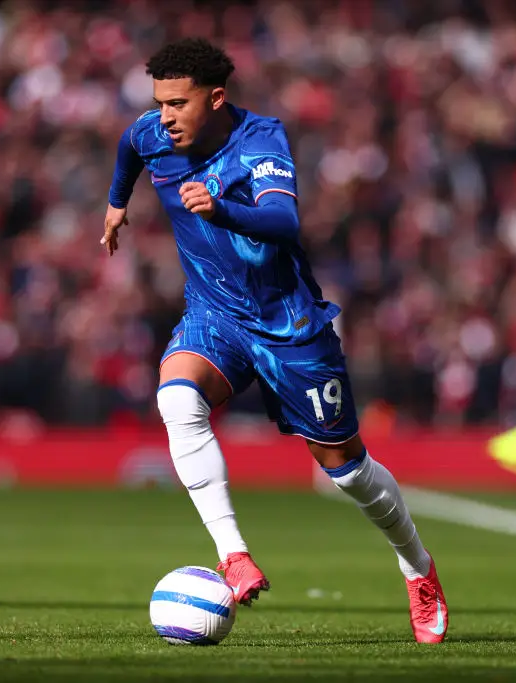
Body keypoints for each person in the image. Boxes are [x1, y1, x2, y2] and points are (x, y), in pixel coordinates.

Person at [103, 38, 448, 644]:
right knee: (177, 399)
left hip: (288, 326)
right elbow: (130, 147)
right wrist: (115, 204)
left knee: (348, 472)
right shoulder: (153, 132)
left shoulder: (260, 142)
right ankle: (233, 555)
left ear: (215, 99)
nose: (165, 117)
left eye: (178, 104)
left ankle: (418, 568)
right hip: (215, 315)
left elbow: (285, 221)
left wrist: (221, 211)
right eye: (160, 103)